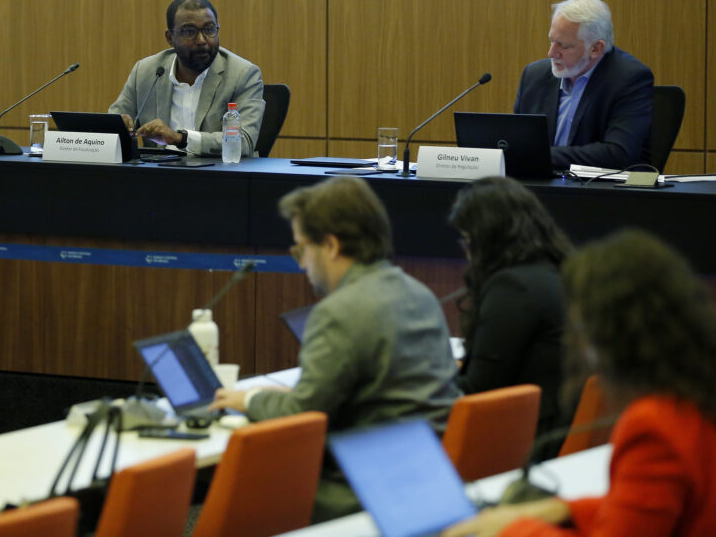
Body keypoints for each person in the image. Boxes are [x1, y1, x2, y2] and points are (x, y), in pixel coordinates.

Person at [210, 176, 460, 522]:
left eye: (301, 249)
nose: (301, 264)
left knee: (238, 490)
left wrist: (249, 399)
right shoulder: (419, 294)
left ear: (329, 245)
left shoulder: (338, 312)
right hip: (433, 483)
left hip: (359, 493)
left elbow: (302, 415)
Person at [443, 230, 716, 537]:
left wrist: (512, 528)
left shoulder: (653, 425)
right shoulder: (696, 395)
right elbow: (642, 507)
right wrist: (560, 509)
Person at [449, 177, 573, 453]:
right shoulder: (558, 272)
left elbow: (477, 391)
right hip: (554, 431)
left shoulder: (513, 288)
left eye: (468, 241)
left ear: (488, 238)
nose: (467, 254)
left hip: (518, 444)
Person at [108, 0, 264, 157]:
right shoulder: (146, 71)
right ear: (170, 38)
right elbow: (112, 124)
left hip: (217, 170)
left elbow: (244, 142)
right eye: (190, 32)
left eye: (209, 30)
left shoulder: (242, 74)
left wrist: (180, 138)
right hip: (159, 169)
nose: (202, 40)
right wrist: (119, 125)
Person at [513, 0, 653, 171]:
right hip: (539, 183)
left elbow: (617, 154)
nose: (551, 53)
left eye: (564, 46)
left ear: (596, 48)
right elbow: (517, 142)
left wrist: (542, 156)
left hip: (598, 186)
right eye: (552, 41)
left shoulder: (629, 79)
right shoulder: (534, 76)